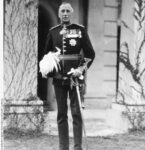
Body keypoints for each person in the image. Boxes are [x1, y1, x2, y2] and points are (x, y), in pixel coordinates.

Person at [43, 2, 95, 150]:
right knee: (61, 114)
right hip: (59, 79)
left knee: (76, 113)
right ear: (59, 14)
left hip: (75, 78)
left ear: (71, 13)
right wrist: (49, 70)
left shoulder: (80, 30)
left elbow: (90, 54)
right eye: (62, 11)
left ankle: (77, 147)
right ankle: (63, 147)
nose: (65, 13)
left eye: (67, 11)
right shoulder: (53, 32)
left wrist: (81, 69)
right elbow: (47, 55)